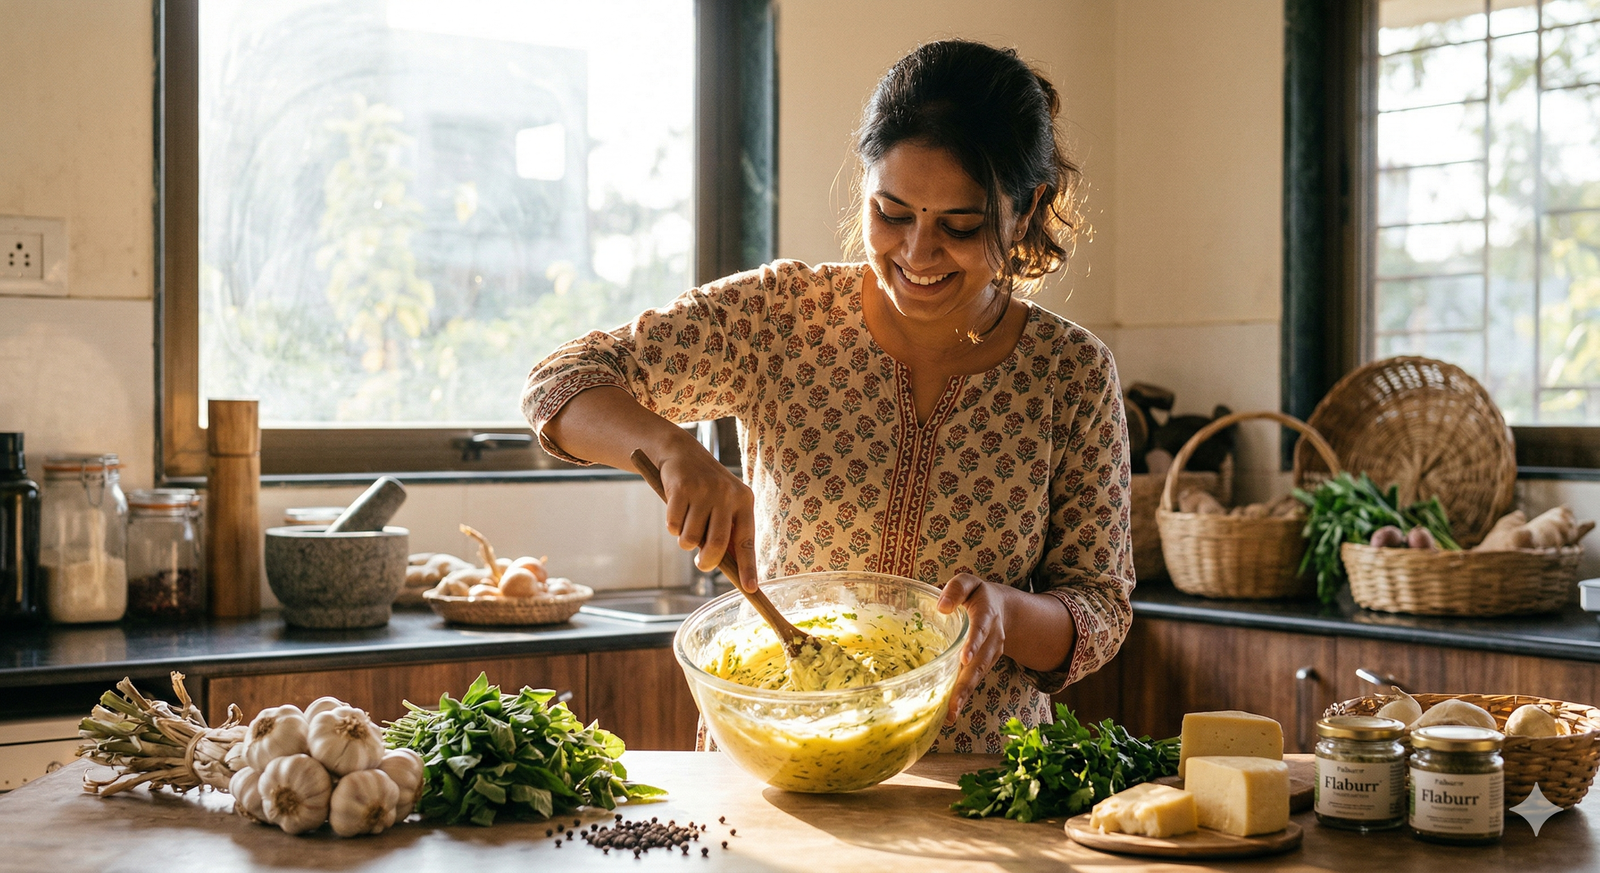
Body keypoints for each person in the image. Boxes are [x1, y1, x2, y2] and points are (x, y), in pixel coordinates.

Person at [523, 39, 1132, 753]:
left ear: (1026, 212)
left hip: (972, 781)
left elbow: (1101, 605)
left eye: (960, 226)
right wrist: (669, 447)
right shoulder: (783, 316)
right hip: (774, 766)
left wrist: (1008, 614)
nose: (917, 253)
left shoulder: (1070, 373)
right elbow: (561, 382)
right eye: (892, 213)